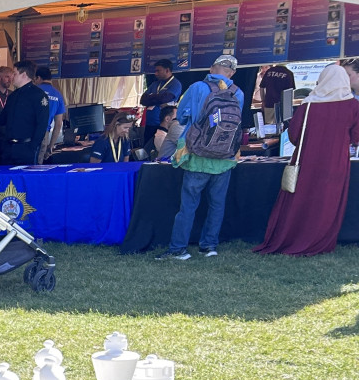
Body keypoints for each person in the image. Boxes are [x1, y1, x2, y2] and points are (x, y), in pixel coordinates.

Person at [256, 64, 359, 256]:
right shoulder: (353, 106)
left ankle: (294, 237)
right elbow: (356, 137)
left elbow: (294, 135)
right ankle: (320, 240)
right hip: (335, 162)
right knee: (326, 201)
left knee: (300, 199)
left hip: (306, 161)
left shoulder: (308, 105)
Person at [156, 56, 246, 261]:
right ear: (232, 73)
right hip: (225, 157)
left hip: (198, 155)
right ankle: (209, 246)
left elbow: (184, 116)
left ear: (212, 67)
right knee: (217, 204)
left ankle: (179, 249)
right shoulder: (238, 93)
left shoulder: (197, 87)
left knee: (188, 204)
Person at [1, 60, 51, 166]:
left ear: (24, 75)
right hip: (8, 148)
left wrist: (33, 147)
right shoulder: (13, 96)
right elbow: (2, 119)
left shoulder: (38, 95)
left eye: (14, 73)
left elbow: (42, 124)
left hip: (26, 147)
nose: (12, 77)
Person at [34, 66, 68, 162]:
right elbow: (58, 124)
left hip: (29, 133)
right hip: (44, 133)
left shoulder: (34, 91)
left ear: (38, 78)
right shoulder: (58, 95)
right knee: (38, 165)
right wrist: (51, 145)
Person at [141, 59, 182, 135]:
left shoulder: (175, 84)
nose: (156, 73)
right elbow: (143, 100)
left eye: (158, 71)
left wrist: (151, 97)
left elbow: (165, 98)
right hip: (149, 123)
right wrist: (158, 99)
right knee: (147, 146)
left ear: (167, 70)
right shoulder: (155, 84)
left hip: (163, 124)